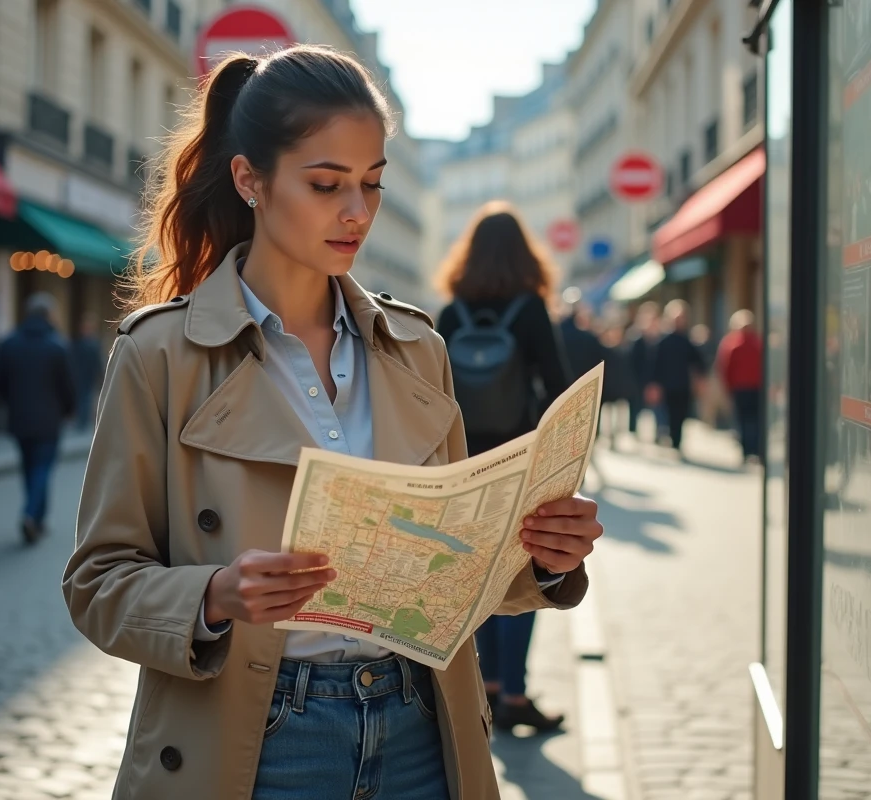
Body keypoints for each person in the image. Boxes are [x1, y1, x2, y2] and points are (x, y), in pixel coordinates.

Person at [61, 46, 604, 800]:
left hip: (425, 724)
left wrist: (544, 558)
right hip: (264, 739)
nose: (358, 211)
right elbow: (98, 583)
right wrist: (214, 594)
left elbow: (454, 580)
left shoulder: (418, 348)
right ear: (251, 179)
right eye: (326, 184)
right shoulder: (161, 354)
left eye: (373, 184)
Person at [435, 200, 573, 733]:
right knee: (522, 573)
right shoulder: (531, 308)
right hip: (520, 462)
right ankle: (514, 692)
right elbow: (559, 385)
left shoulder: (452, 311)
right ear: (523, 252)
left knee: (476, 578)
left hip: (466, 462)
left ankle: (486, 688)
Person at [0, 292, 77, 543]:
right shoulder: (57, 346)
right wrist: (68, 411)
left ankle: (38, 516)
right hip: (49, 419)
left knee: (29, 467)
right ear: (48, 315)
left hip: (19, 417)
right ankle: (31, 514)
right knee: (43, 468)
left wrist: (9, 404)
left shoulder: (9, 344)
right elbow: (67, 385)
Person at [647, 299, 706, 452]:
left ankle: (677, 441)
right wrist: (653, 384)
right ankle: (670, 438)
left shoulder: (687, 340)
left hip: (683, 385)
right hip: (667, 385)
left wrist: (700, 380)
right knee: (669, 414)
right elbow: (655, 364)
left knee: (681, 414)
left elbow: (698, 362)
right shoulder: (663, 341)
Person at [715, 309, 764, 463]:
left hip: (742, 388)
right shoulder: (756, 343)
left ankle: (747, 449)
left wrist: (728, 387)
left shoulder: (732, 343)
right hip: (752, 388)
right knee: (753, 419)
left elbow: (725, 368)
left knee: (744, 419)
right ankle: (753, 449)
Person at [627, 301, 664, 442]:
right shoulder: (636, 338)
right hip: (638, 381)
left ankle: (659, 434)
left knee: (658, 410)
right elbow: (632, 362)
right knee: (636, 408)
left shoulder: (661, 339)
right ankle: (634, 432)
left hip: (656, 381)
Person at [69, 312, 104, 429]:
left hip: (87, 375)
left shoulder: (91, 344)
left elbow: (97, 361)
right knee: (83, 398)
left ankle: (82, 421)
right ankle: (82, 421)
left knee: (85, 398)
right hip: (82, 375)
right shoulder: (81, 344)